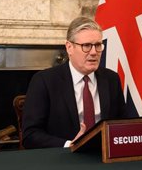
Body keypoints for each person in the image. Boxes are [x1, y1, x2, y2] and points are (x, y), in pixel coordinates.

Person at [22, 16, 131, 149]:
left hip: (104, 158)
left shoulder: (111, 79)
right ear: (69, 47)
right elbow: (30, 135)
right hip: (62, 161)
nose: (93, 52)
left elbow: (123, 125)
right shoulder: (44, 81)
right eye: (86, 46)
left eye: (98, 45)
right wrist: (69, 145)